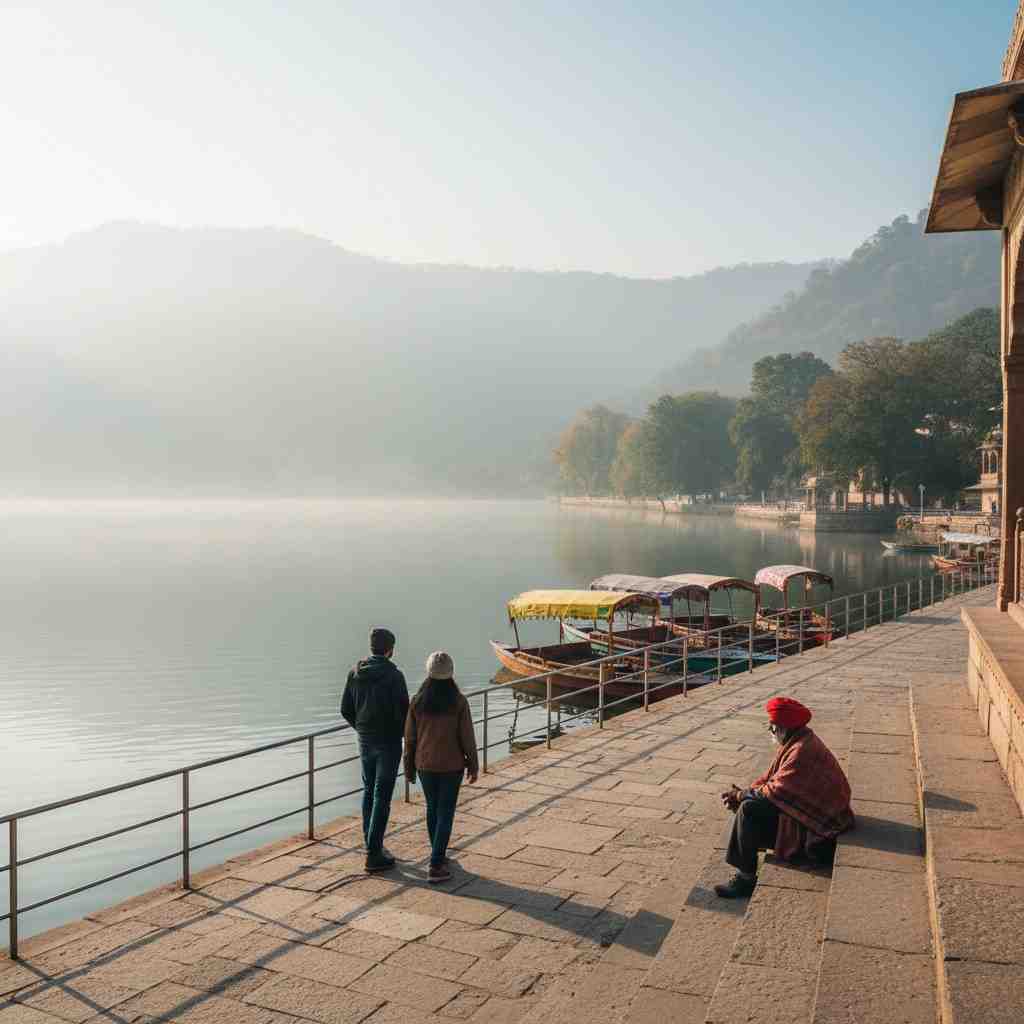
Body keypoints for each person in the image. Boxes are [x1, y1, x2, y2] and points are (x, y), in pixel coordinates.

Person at [714, 696, 854, 899]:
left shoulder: (801, 751)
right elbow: (771, 782)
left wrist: (741, 795)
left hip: (822, 833)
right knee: (750, 803)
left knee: (749, 809)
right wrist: (745, 793)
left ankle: (745, 879)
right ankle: (745, 871)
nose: (770, 732)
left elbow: (775, 791)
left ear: (783, 728)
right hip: (821, 817)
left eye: (772, 728)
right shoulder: (800, 740)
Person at [404, 651, 479, 883]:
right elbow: (467, 736)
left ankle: (438, 854)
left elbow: (410, 738)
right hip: (451, 764)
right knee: (445, 811)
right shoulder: (458, 701)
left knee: (432, 808)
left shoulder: (417, 701)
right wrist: (473, 764)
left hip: (425, 764)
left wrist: (408, 766)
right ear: (451, 672)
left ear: (428, 672)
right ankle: (436, 863)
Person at [341, 627, 409, 873]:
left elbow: (345, 709)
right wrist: (403, 735)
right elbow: (405, 712)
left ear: (371, 647)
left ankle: (371, 843)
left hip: (365, 741)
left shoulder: (355, 673)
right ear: (390, 650)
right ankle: (373, 852)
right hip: (389, 743)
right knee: (383, 795)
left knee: (369, 790)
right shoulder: (395, 676)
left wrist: (361, 728)